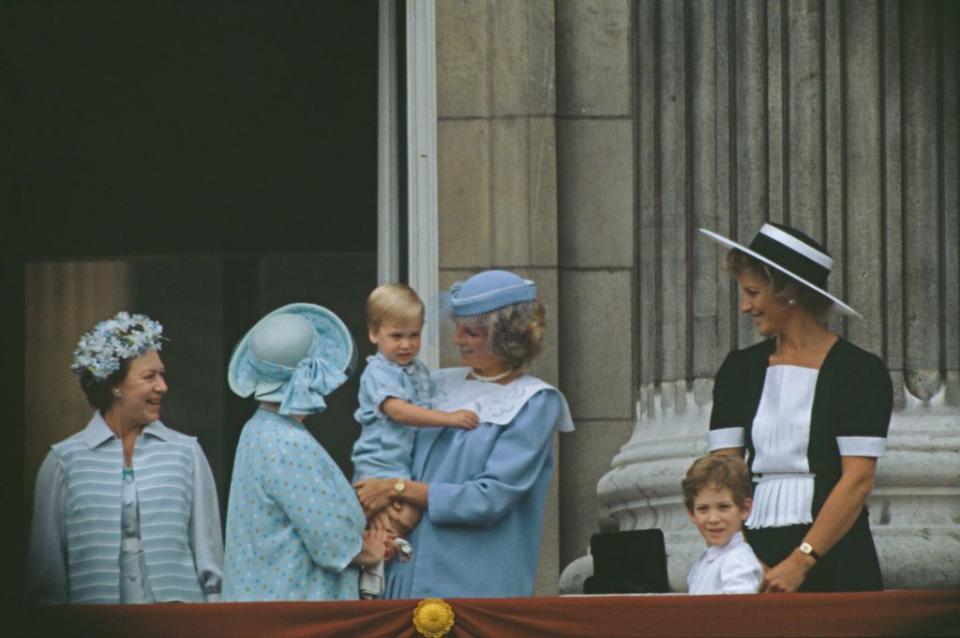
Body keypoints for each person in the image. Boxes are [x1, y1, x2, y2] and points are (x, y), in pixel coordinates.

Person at [354, 270, 575, 598]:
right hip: (402, 573)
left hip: (472, 584)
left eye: (471, 332)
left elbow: (488, 498)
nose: (457, 339)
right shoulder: (439, 382)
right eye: (457, 328)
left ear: (506, 338)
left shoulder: (534, 401)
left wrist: (397, 488)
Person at [700, 223, 892, 592]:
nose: (745, 306)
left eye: (753, 292)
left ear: (790, 292)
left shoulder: (859, 372)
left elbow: (857, 480)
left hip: (836, 555)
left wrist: (801, 561)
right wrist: (739, 555)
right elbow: (722, 475)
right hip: (750, 556)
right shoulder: (738, 370)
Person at [26, 312, 223, 604]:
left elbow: (211, 560)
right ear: (114, 384)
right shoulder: (63, 462)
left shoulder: (186, 453)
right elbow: (47, 577)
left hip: (179, 624)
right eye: (149, 376)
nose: (162, 386)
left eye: (161, 374)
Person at [222, 303, 392, 601]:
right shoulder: (287, 442)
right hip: (294, 611)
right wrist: (371, 549)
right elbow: (332, 542)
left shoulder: (257, 429)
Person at [352, 283, 479, 532]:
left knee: (408, 520)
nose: (406, 345)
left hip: (404, 468)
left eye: (414, 335)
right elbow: (399, 411)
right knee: (403, 519)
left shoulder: (418, 370)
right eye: (396, 336)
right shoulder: (378, 371)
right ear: (374, 334)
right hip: (379, 467)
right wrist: (449, 419)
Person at [682, 455, 762, 594]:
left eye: (723, 507)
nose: (713, 519)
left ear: (745, 509)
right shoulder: (703, 563)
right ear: (691, 513)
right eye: (703, 509)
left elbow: (738, 611)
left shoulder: (737, 560)